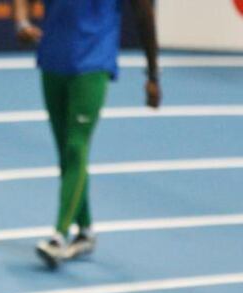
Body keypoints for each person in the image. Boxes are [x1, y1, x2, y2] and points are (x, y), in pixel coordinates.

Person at [13, 0, 161, 268]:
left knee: (75, 147)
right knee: (65, 154)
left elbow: (144, 14)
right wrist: (22, 22)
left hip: (93, 62)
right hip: (53, 60)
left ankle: (59, 235)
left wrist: (152, 75)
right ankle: (86, 231)